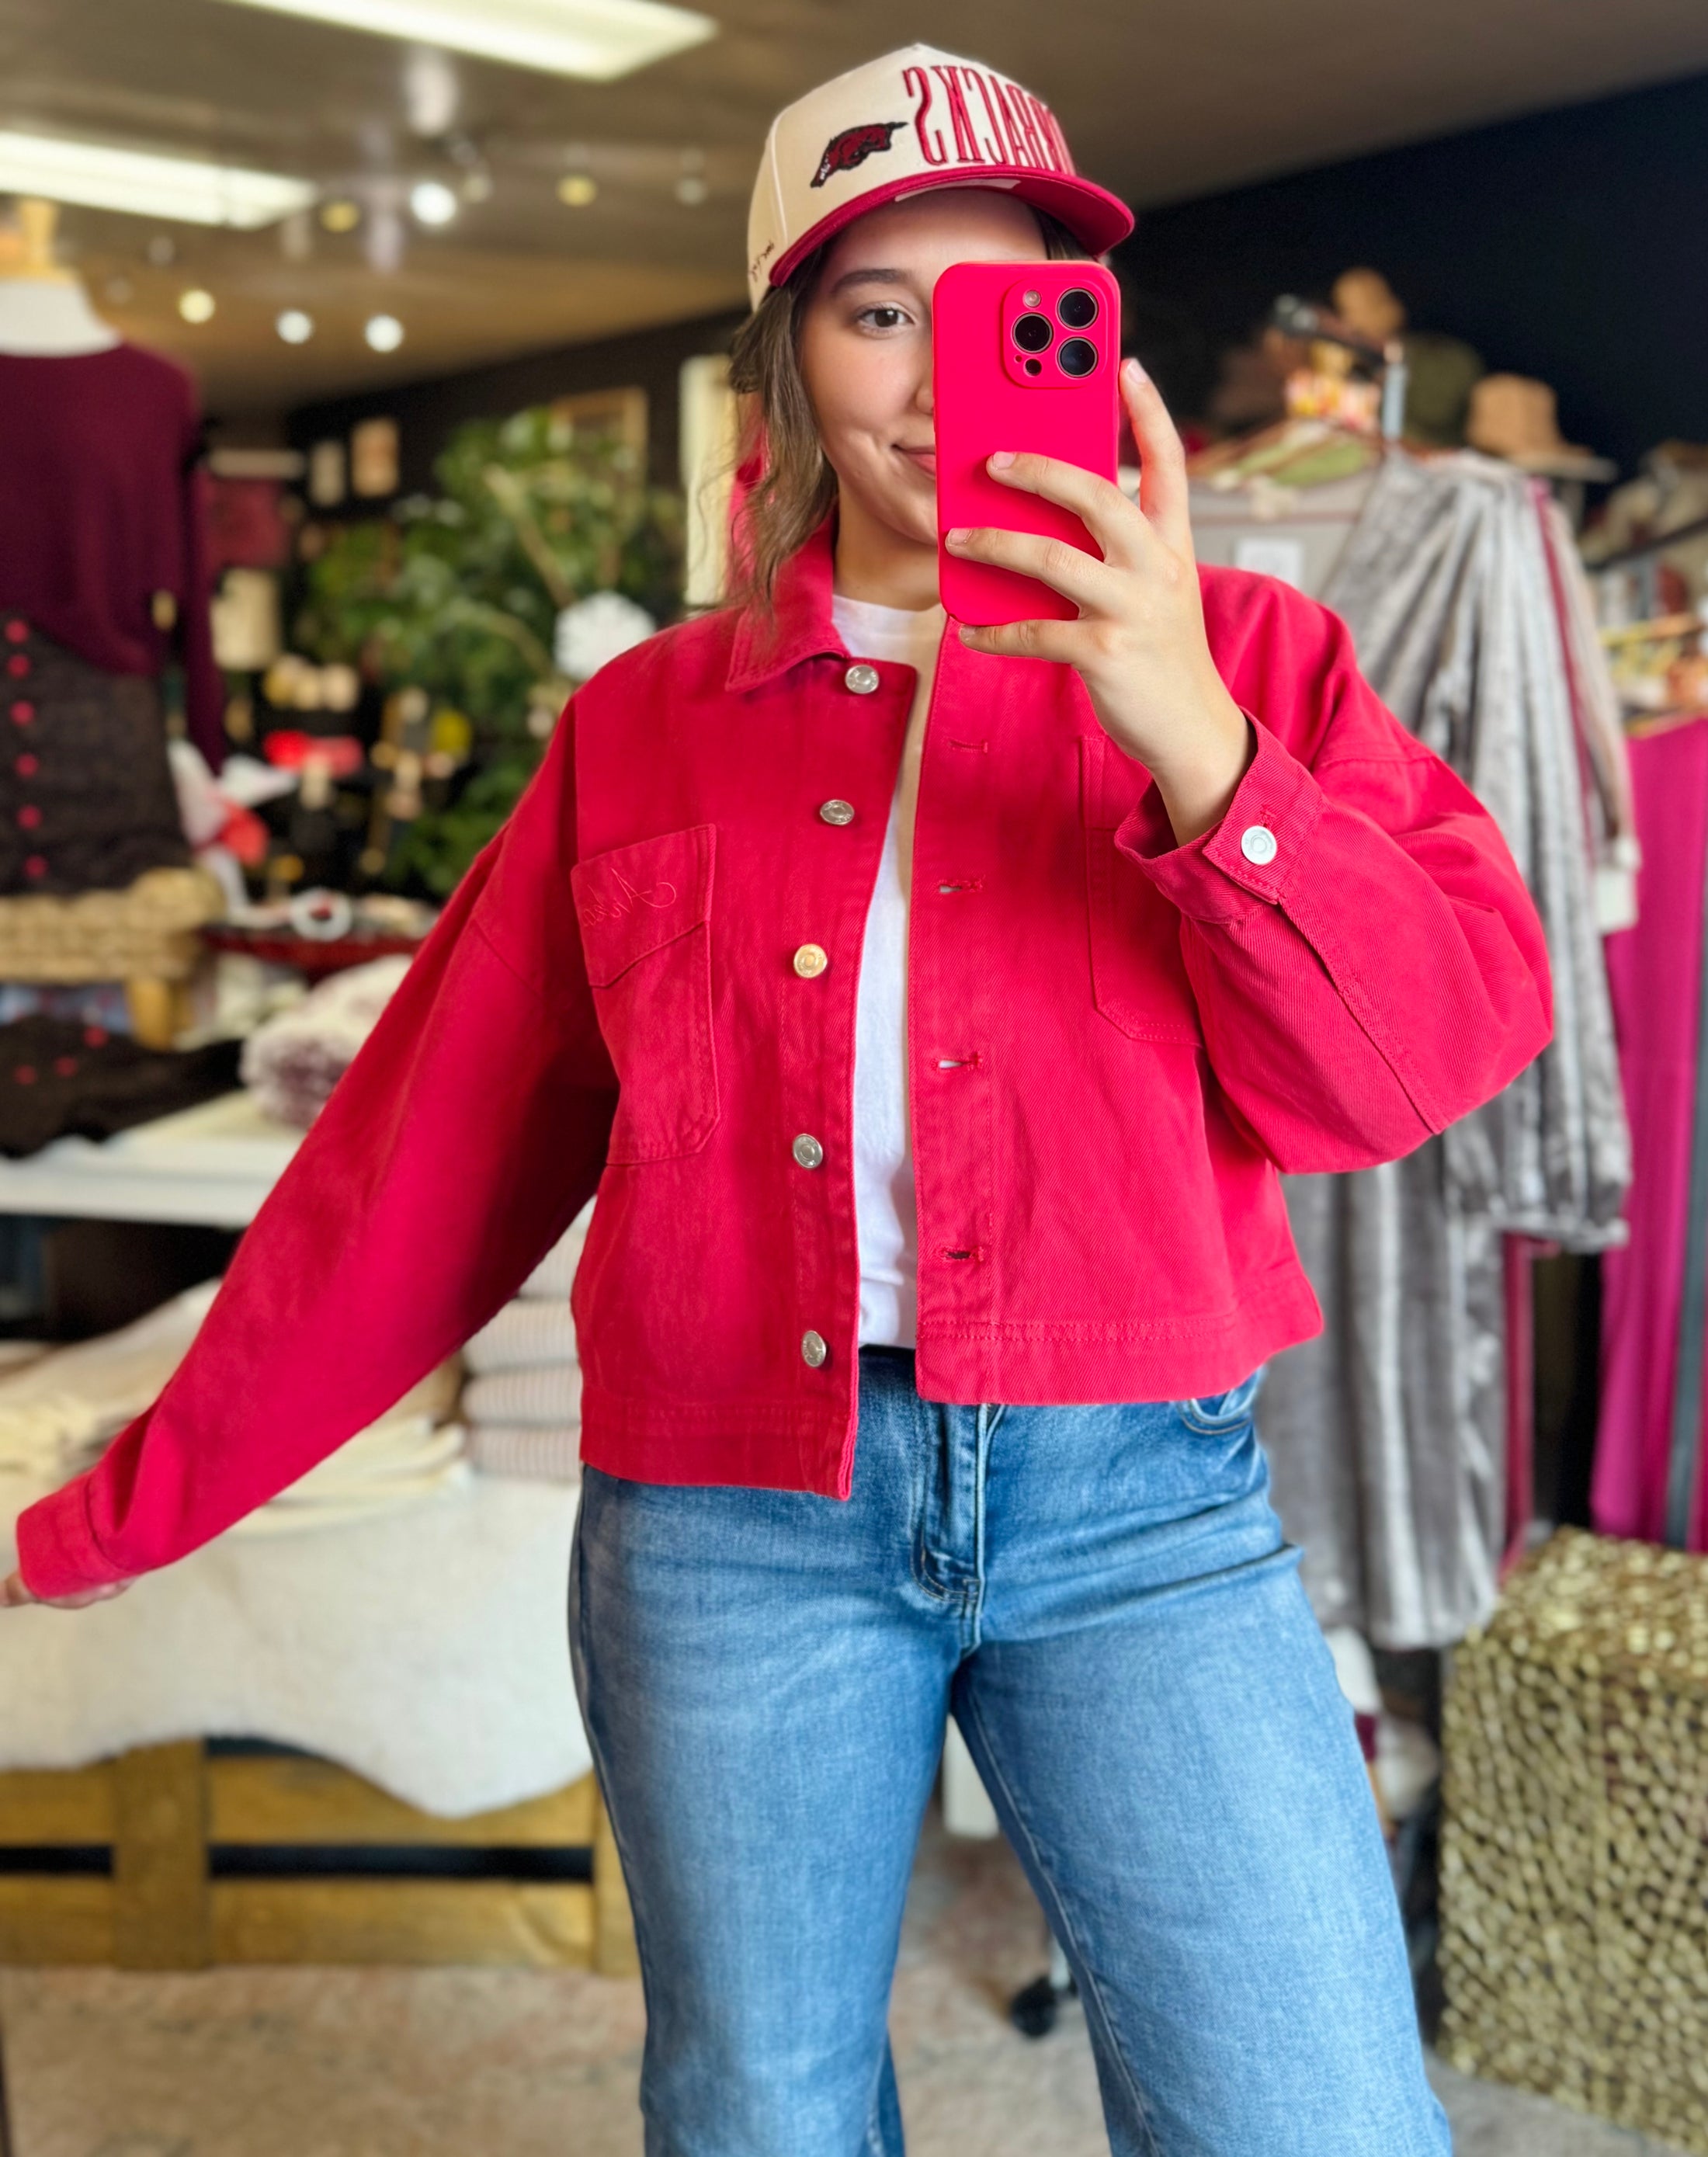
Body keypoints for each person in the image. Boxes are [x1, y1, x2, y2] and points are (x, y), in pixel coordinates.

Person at [2, 44, 1548, 2157]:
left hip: (1142, 1508)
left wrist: (1182, 720)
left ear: (1084, 347)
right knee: (759, 2112)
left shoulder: (1250, 658)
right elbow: (421, 1165)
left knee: (1315, 2113)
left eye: (1006, 313)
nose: (935, 378)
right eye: (874, 311)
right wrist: (123, 1501)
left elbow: (1429, 1056)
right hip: (730, 1523)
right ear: (785, 362)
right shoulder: (644, 728)